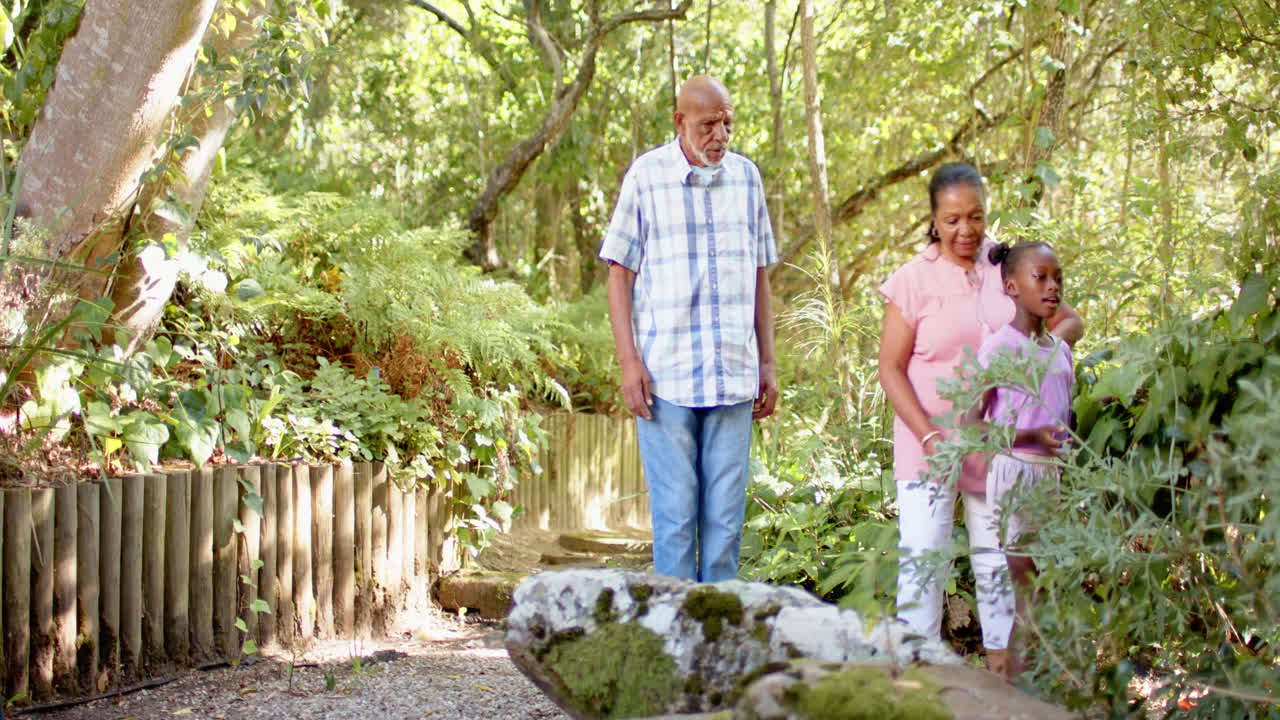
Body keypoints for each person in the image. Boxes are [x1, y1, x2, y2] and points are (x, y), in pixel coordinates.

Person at [877, 162, 1082, 675]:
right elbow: (890, 368)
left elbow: (1066, 319)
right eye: (951, 220)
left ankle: (1002, 681)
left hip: (1002, 449)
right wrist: (929, 436)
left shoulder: (1009, 269)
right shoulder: (912, 280)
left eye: (975, 217)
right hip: (930, 446)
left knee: (998, 565)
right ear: (933, 219)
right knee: (924, 564)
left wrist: (1049, 348)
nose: (965, 230)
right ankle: (916, 683)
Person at [598, 75, 779, 583]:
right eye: (708, 124)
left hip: (733, 378)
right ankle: (674, 648)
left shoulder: (747, 179)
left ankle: (716, 644)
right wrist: (628, 363)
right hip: (666, 378)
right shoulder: (646, 177)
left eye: (727, 122)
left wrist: (768, 362)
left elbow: (761, 273)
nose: (720, 133)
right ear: (680, 123)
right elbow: (620, 274)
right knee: (676, 519)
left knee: (725, 523)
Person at [969, 240, 1075, 678]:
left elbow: (1062, 418)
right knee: (1025, 584)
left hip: (1051, 479)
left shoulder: (1061, 350)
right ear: (1011, 287)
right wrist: (1030, 435)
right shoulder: (998, 349)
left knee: (1043, 580)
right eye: (1040, 277)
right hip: (1013, 474)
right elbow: (971, 422)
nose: (1052, 287)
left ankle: (1036, 677)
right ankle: (1014, 682)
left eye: (1057, 279)